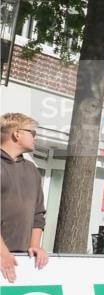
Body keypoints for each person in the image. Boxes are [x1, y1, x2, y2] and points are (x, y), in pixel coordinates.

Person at [1, 113, 49, 282]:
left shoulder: (32, 170)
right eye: (32, 133)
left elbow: (38, 214)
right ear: (17, 134)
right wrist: (2, 251)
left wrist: (35, 246)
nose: (35, 138)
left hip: (21, 260)